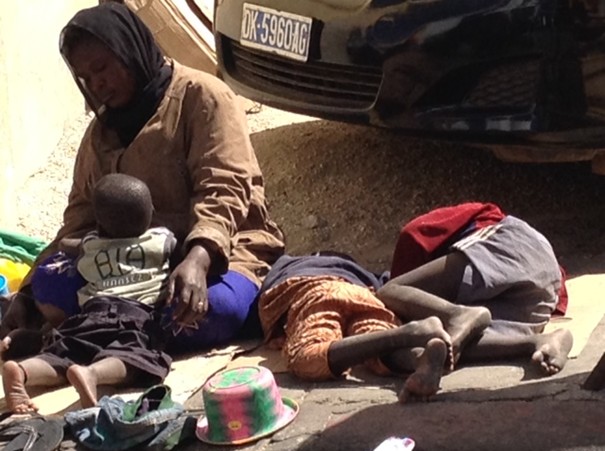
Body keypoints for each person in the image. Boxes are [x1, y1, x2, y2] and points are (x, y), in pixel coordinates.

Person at [0, 2, 285, 354]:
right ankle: (110, 335)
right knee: (49, 287)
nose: (96, 83)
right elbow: (79, 219)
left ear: (129, 49)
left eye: (102, 68)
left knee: (210, 311)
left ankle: (81, 337)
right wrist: (28, 294)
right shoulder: (101, 133)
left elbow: (224, 188)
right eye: (85, 77)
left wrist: (197, 258)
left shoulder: (203, 97)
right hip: (127, 267)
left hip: (216, 252)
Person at [2, 174, 176, 413]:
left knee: (64, 353)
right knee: (139, 356)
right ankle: (92, 374)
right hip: (135, 314)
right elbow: (179, 248)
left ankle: (23, 371)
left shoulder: (90, 243)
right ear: (152, 212)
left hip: (91, 311)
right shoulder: (162, 240)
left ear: (99, 225)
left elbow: (66, 245)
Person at [376, 202, 574, 392]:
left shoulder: (485, 222)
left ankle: (456, 314)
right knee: (449, 342)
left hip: (515, 248)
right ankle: (539, 342)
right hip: (543, 289)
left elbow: (413, 234)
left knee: (389, 291)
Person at [256, 253, 485, 402]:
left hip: (314, 290)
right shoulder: (358, 270)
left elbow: (266, 300)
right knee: (376, 346)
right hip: (364, 293)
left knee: (306, 356)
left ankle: (409, 333)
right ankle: (420, 359)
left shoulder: (289, 265)